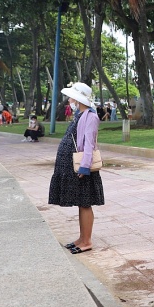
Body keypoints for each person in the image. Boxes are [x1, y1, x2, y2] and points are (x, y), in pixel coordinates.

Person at [49, 82, 104, 255]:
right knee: (81, 203)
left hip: (81, 167)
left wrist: (84, 167)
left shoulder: (90, 116)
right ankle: (82, 238)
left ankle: (87, 241)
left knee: (85, 203)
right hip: (73, 167)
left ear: (78, 98)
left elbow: (89, 143)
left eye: (72, 96)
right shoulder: (79, 115)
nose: (70, 99)